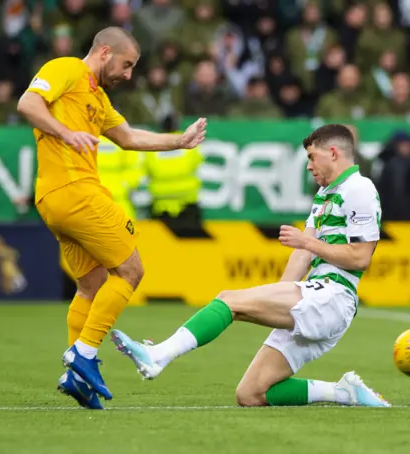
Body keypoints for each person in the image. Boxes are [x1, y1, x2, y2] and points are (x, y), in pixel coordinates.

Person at [111, 124, 390, 408]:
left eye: (311, 157)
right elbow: (301, 255)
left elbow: (360, 257)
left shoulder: (359, 188)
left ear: (332, 153)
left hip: (334, 296)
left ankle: (158, 356)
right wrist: (279, 295)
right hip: (315, 296)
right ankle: (343, 393)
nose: (308, 166)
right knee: (251, 394)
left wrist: (309, 245)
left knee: (228, 300)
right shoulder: (324, 195)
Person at [16, 26, 206, 410]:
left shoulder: (96, 97)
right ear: (104, 52)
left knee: (91, 283)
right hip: (76, 191)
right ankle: (83, 354)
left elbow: (129, 137)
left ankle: (75, 376)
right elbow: (28, 105)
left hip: (55, 201)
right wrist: (67, 133)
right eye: (127, 64)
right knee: (130, 271)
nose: (129, 75)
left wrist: (178, 141)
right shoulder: (66, 68)